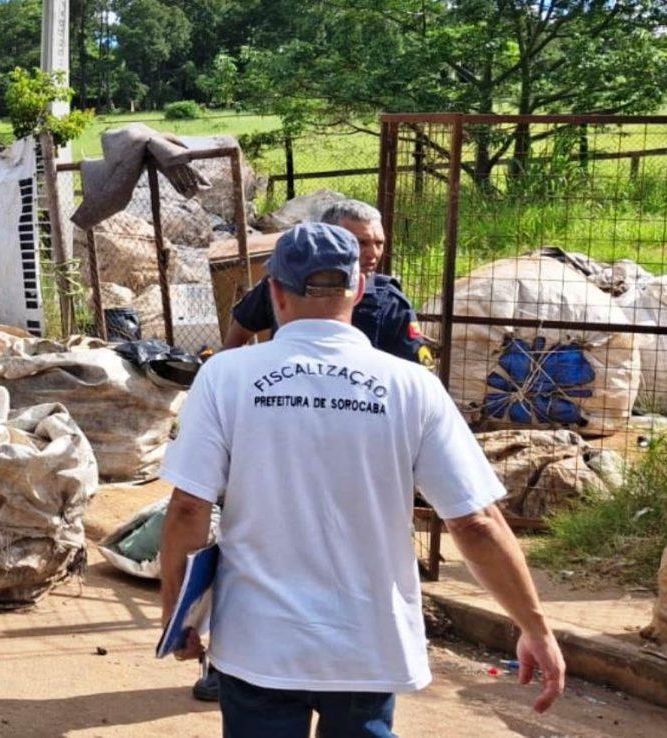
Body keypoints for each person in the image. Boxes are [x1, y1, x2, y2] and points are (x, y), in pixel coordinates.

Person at [159, 223, 565, 737]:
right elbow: (476, 521)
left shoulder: (227, 376)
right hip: (366, 642)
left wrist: (179, 615)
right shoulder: (412, 386)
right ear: (359, 288)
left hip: (259, 641)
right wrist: (535, 627)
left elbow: (189, 509)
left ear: (275, 292)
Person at [224, 200, 432, 367]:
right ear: (328, 238)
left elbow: (419, 372)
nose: (373, 254)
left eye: (379, 243)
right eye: (361, 243)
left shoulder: (390, 303)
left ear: (359, 290)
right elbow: (239, 332)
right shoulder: (285, 285)